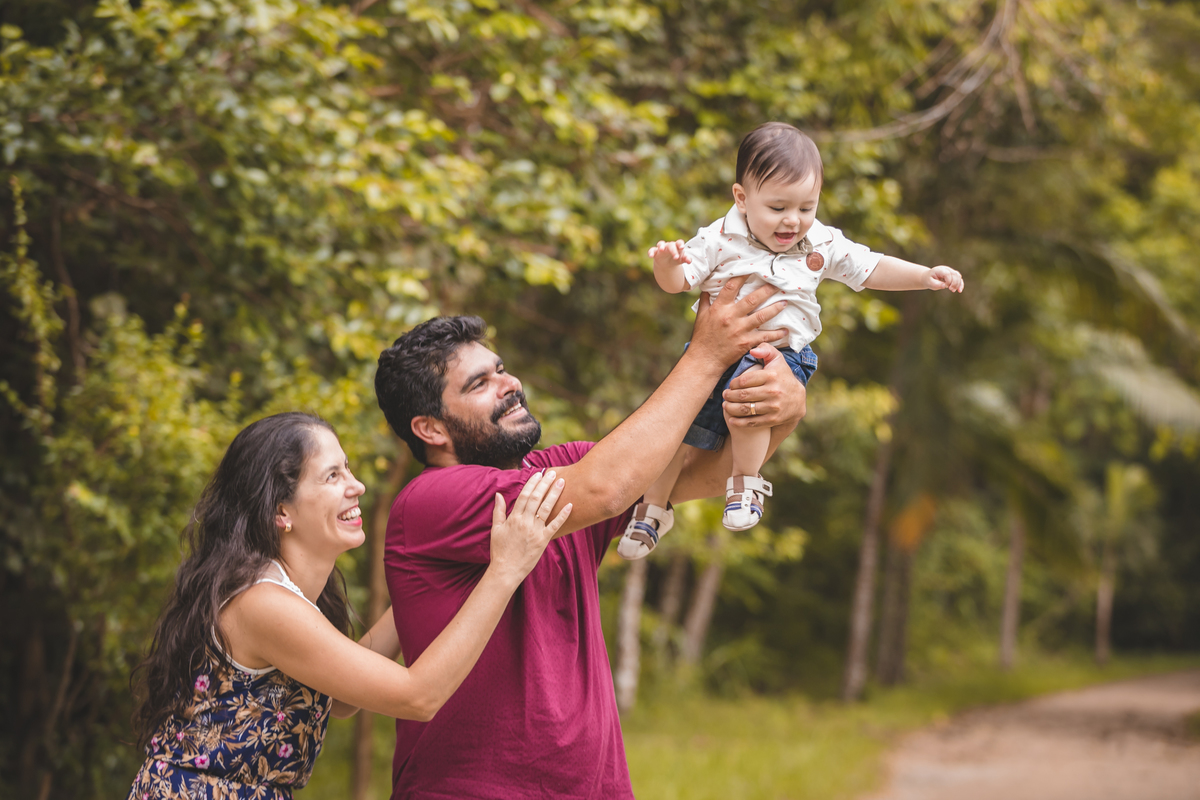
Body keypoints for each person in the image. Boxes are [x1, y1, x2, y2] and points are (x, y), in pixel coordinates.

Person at [373, 284, 808, 799]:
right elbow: (607, 488)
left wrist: (785, 407)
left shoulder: (564, 470)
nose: (509, 384)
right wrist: (706, 356)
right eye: (479, 384)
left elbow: (703, 473)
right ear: (430, 429)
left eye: (501, 369)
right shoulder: (433, 501)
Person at [127, 411, 571, 800]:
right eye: (332, 476)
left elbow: (340, 699)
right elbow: (419, 696)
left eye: (348, 469)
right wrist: (504, 572)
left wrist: (440, 578)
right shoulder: (263, 603)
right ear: (281, 511)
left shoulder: (284, 595)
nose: (356, 485)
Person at [617, 121, 965, 556]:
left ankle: (745, 484)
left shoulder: (820, 241)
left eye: (806, 207)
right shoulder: (717, 238)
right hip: (708, 354)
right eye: (779, 207)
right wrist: (667, 264)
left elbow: (870, 267)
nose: (793, 221)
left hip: (775, 353)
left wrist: (924, 277)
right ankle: (651, 509)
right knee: (675, 428)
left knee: (753, 395)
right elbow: (679, 281)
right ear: (742, 199)